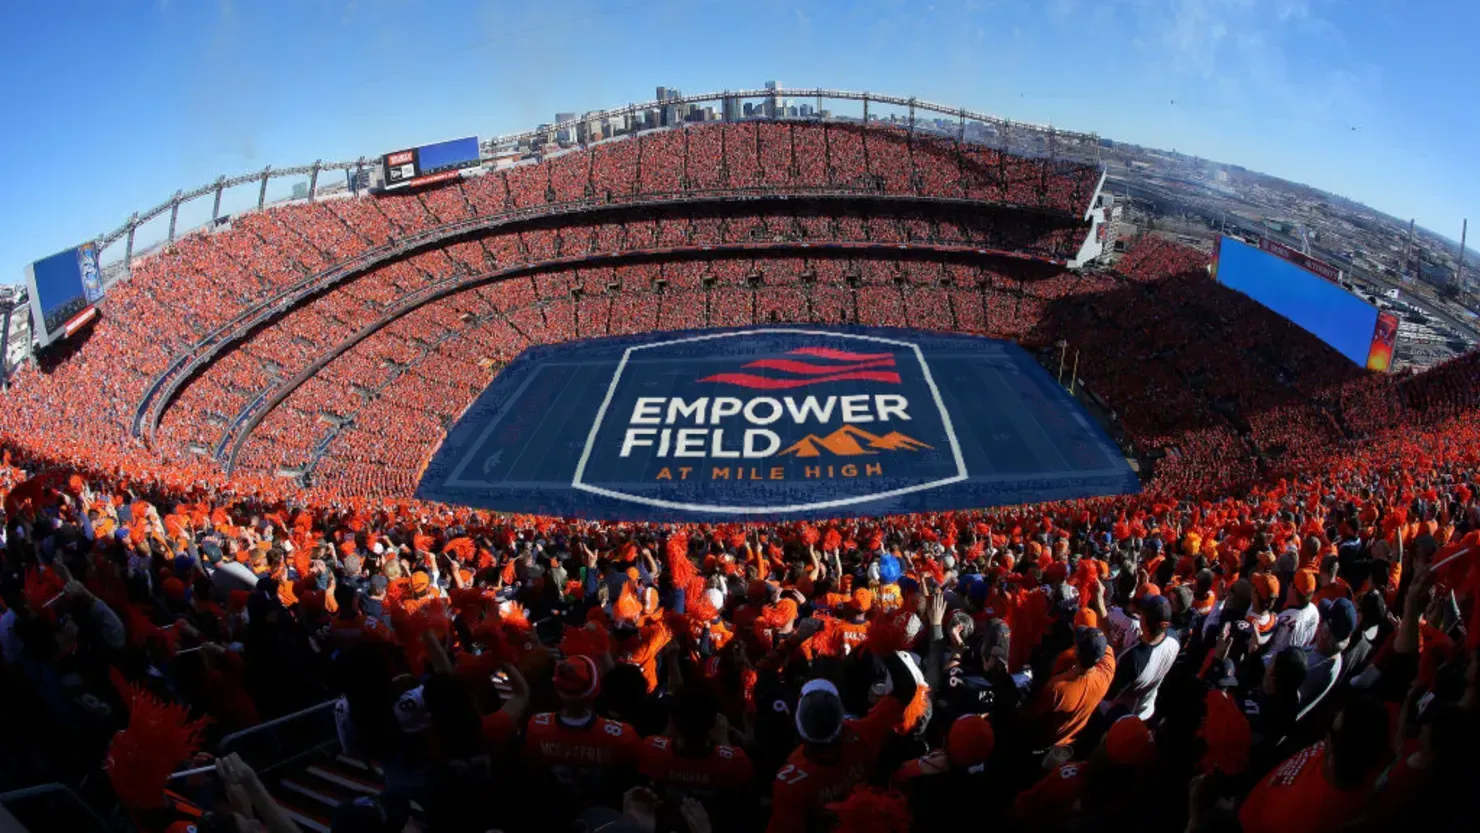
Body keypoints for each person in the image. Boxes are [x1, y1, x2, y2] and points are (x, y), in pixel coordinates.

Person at [1020, 627, 1116, 752]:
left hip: (1050, 741)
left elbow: (1034, 713)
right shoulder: (1107, 673)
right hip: (1072, 740)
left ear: (1075, 651)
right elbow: (1107, 649)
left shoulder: (1058, 687)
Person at [1103, 594, 1178, 721]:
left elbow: (1109, 694)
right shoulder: (1174, 639)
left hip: (1122, 714)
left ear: (1143, 621)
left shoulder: (1134, 657)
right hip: (1147, 708)